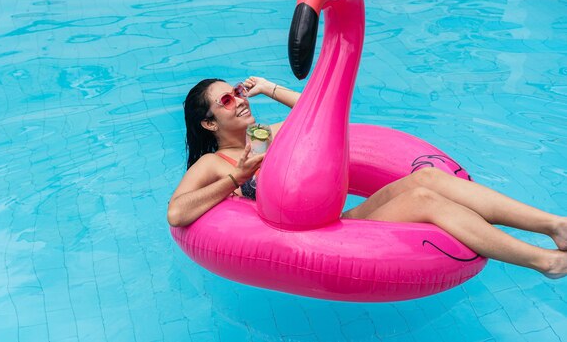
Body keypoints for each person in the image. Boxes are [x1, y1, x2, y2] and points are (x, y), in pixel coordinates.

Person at [168, 76, 567, 279]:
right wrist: (236, 178)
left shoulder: (271, 133)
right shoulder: (214, 164)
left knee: (427, 179)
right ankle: (542, 261)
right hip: (309, 242)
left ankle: (555, 225)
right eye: (226, 100)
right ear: (208, 122)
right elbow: (176, 213)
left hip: (335, 225)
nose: (239, 101)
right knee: (425, 202)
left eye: (238, 92)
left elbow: (322, 109)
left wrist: (270, 89)